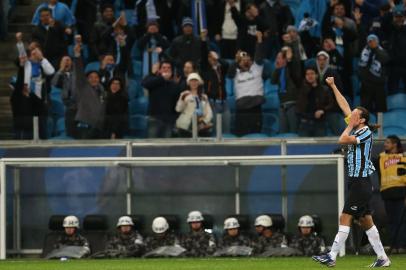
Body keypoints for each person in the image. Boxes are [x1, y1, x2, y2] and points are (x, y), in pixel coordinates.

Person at [313, 76, 390, 268]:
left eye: (355, 115)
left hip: (361, 183)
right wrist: (333, 86)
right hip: (358, 182)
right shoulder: (358, 127)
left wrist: (348, 125)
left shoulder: (364, 132)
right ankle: (383, 258)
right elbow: (344, 105)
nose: (350, 116)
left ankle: (331, 256)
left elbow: (342, 140)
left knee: (344, 216)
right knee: (366, 222)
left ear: (361, 120)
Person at [227, 30, 266, 136]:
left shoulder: (256, 68)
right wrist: (236, 60)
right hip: (241, 108)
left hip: (255, 106)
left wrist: (259, 40)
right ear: (238, 63)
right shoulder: (236, 72)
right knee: (241, 134)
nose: (245, 61)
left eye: (247, 59)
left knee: (256, 133)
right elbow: (229, 74)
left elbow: (259, 55)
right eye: (242, 60)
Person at [375, 135, 406, 253]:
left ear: (395, 144)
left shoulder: (403, 157)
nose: (385, 144)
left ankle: (402, 246)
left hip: (401, 191)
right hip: (387, 192)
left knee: (401, 221)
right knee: (391, 221)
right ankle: (394, 246)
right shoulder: (381, 157)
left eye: (388, 142)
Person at [72, 39, 106, 139]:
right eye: (91, 77)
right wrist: (77, 55)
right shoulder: (83, 86)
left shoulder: (102, 90)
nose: (94, 79)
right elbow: (79, 72)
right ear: (87, 79)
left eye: (96, 77)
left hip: (99, 127)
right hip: (85, 126)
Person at [200, 29, 230, 133]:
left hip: (224, 101)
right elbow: (203, 54)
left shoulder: (221, 68)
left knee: (227, 129)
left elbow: (226, 64)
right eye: (210, 57)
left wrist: (217, 59)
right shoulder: (205, 69)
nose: (212, 58)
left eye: (214, 57)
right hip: (212, 102)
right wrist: (203, 40)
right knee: (216, 131)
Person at [141, 61, 180, 138]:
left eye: (169, 68)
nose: (166, 69)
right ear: (159, 70)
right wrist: (161, 78)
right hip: (154, 118)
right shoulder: (155, 81)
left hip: (169, 120)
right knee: (152, 145)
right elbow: (144, 83)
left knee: (166, 146)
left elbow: (176, 103)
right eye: (164, 68)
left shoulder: (174, 85)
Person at [296, 66, 335, 137]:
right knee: (303, 147)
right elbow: (299, 108)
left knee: (321, 147)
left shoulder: (324, 89)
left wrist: (322, 110)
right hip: (305, 124)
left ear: (316, 75)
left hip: (319, 124)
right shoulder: (301, 90)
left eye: (312, 73)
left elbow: (331, 104)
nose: (310, 76)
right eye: (307, 74)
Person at [271, 46, 301, 134]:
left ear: (285, 59)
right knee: (283, 132)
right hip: (282, 104)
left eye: (279, 58)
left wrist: (289, 59)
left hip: (292, 103)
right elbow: (272, 81)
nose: (277, 60)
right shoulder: (279, 71)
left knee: (293, 131)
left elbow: (295, 66)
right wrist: (276, 68)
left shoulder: (292, 69)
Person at [358, 34, 389, 113]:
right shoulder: (364, 52)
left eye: (373, 41)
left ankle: (381, 125)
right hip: (367, 85)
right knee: (365, 110)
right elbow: (361, 68)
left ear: (377, 42)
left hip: (379, 85)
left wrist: (375, 49)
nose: (371, 43)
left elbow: (385, 59)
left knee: (380, 110)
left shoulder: (381, 51)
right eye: (370, 41)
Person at [175, 73, 213, 137]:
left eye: (196, 81)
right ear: (188, 83)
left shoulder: (204, 96)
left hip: (201, 127)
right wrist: (182, 99)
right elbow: (178, 109)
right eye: (191, 81)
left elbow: (209, 113)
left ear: (199, 82)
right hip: (185, 127)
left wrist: (203, 122)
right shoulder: (184, 94)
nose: (194, 83)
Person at [51, 55, 76, 137]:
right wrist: (61, 70)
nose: (66, 62)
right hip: (66, 102)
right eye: (64, 61)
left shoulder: (76, 74)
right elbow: (54, 83)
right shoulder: (60, 74)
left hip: (77, 102)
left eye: (68, 60)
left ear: (72, 63)